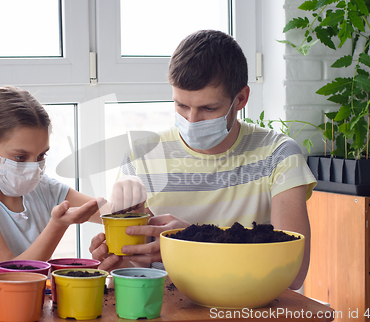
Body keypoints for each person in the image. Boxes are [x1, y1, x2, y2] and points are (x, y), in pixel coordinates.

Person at [90, 30, 317, 290]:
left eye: (209, 108)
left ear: (240, 98)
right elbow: (143, 266)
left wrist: (192, 241)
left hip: (249, 308)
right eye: (181, 106)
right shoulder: (142, 156)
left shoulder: (278, 154)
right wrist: (121, 262)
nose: (192, 120)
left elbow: (293, 271)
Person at [0, 86, 106, 280]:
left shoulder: (45, 189)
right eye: (20, 157)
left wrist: (128, 196)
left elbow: (115, 213)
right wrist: (58, 225)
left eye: (41, 155)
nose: (33, 168)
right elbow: (14, 277)